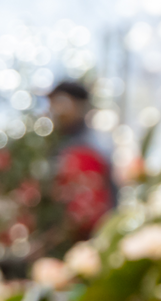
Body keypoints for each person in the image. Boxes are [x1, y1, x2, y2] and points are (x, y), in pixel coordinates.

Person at [42, 78, 114, 247]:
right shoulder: (52, 145)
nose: (56, 111)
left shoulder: (94, 148)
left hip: (89, 237)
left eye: (62, 103)